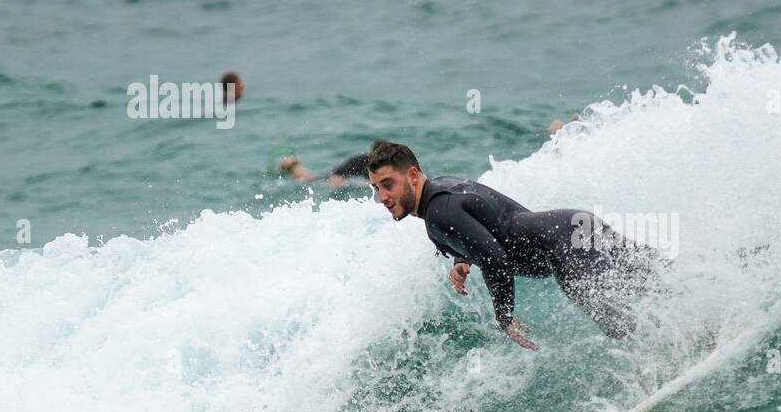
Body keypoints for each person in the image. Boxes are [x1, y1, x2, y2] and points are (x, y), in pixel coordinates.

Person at [366, 139, 658, 349]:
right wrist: (461, 259)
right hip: (574, 225)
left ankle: (672, 349)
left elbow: (495, 258)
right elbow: (483, 219)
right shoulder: (444, 188)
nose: (382, 197)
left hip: (565, 248)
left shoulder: (438, 214)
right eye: (376, 188)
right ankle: (696, 305)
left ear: (413, 176)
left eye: (388, 185)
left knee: (616, 322)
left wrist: (503, 316)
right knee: (650, 276)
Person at [277, 151, 370, 187]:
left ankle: (294, 167)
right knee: (310, 179)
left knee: (313, 178)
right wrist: (339, 175)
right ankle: (293, 167)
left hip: (348, 171)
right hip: (340, 174)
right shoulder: (373, 160)